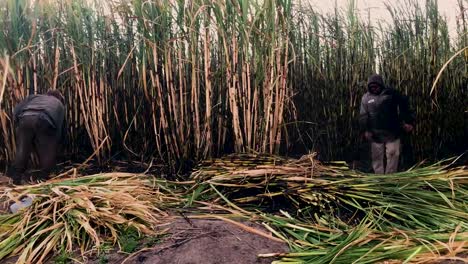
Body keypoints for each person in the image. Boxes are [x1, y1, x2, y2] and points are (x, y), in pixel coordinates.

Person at [7, 89, 65, 184]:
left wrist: (18, 123)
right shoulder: (59, 104)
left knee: (22, 150)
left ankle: (16, 178)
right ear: (59, 98)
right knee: (47, 152)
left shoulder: (34, 97)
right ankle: (43, 178)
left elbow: (17, 109)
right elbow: (58, 129)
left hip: (25, 117)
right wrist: (54, 143)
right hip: (45, 119)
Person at [359, 74, 414, 174]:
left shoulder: (391, 93)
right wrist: (366, 130)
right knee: (376, 157)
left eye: (376, 86)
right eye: (372, 87)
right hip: (375, 133)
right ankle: (379, 179)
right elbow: (363, 116)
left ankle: (390, 178)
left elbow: (404, 105)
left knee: (393, 154)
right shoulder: (365, 98)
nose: (374, 89)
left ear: (381, 85)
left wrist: (407, 122)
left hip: (392, 131)